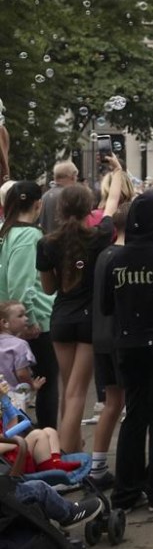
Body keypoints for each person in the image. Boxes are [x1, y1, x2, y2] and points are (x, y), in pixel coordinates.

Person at [103, 191, 153, 513]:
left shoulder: (115, 259)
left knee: (134, 414)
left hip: (128, 344)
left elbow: (106, 306)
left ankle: (126, 490)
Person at [36, 156, 123, 453]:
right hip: (89, 320)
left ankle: (68, 446)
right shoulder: (99, 236)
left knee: (67, 390)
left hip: (60, 317)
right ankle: (67, 453)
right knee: (77, 392)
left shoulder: (47, 243)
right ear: (90, 209)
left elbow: (48, 288)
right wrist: (118, 171)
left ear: (60, 208)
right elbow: (112, 205)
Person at [0, 182, 57, 429]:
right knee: (46, 383)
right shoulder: (29, 235)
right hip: (36, 322)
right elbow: (21, 284)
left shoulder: (6, 232)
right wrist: (28, 319)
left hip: (10, 320)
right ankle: (48, 441)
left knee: (14, 386)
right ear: (38, 204)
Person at [88, 200, 130, 491]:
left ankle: (97, 464)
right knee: (129, 404)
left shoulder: (104, 254)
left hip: (100, 337)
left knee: (111, 403)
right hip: (120, 338)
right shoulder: (125, 257)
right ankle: (126, 465)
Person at [0, 302, 45, 396]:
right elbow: (22, 374)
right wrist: (32, 386)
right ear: (5, 322)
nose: (26, 318)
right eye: (20, 316)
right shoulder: (20, 345)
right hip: (12, 397)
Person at [38, 160, 78, 234]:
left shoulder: (45, 196)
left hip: (46, 240)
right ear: (72, 177)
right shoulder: (69, 196)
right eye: (76, 177)